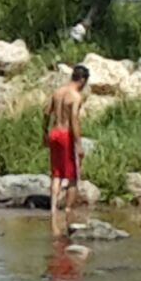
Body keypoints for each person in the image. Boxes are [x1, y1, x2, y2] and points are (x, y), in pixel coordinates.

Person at [44, 64, 90, 231]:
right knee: (71, 176)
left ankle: (53, 209)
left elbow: (46, 112)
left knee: (56, 173)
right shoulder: (75, 97)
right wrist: (78, 145)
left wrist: (44, 132)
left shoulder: (58, 92)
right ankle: (68, 210)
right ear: (83, 80)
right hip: (65, 135)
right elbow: (74, 121)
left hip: (54, 132)